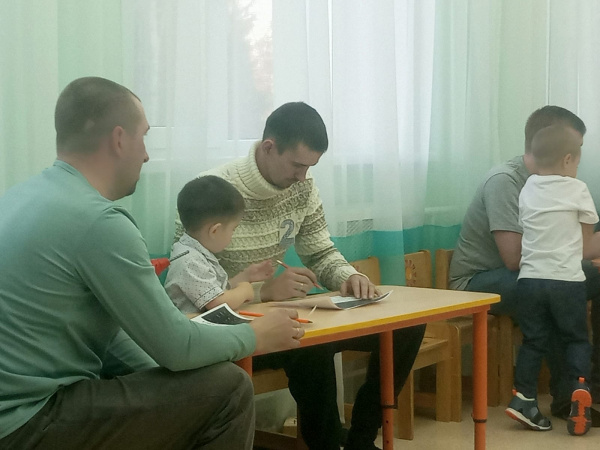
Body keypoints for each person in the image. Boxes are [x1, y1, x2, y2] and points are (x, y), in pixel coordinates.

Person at [0, 77, 303, 450]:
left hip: (19, 413)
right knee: (229, 389)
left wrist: (178, 376)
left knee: (200, 383)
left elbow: (110, 336)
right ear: (119, 139)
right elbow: (177, 345)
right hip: (28, 422)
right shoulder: (98, 222)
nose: (145, 155)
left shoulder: (21, 198)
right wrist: (257, 335)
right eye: (143, 137)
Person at [174, 102, 426, 450]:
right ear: (269, 148)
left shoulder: (302, 188)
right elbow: (196, 285)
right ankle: (326, 444)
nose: (303, 177)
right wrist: (264, 291)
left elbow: (320, 251)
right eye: (297, 165)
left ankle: (361, 440)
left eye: (310, 167)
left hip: (283, 315)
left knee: (406, 326)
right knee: (308, 347)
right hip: (238, 328)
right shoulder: (210, 192)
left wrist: (348, 276)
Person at [449, 105, 600, 421]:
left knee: (575, 280)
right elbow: (514, 257)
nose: (576, 158)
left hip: (528, 272)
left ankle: (587, 388)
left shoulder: (554, 181)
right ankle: (569, 397)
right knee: (561, 285)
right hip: (478, 281)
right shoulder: (506, 181)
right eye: (575, 149)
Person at [505, 124, 599, 436]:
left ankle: (524, 398)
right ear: (568, 159)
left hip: (529, 280)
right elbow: (585, 244)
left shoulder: (527, 188)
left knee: (533, 340)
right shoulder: (578, 189)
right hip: (566, 281)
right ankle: (579, 390)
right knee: (576, 339)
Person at [166, 175, 274, 314]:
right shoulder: (189, 261)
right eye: (233, 229)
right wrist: (244, 291)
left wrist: (246, 276)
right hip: (193, 326)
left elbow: (217, 291)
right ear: (215, 231)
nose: (233, 234)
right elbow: (217, 303)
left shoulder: (197, 253)